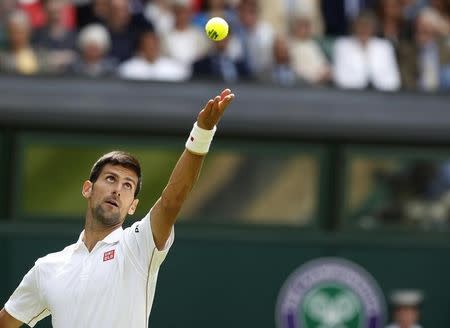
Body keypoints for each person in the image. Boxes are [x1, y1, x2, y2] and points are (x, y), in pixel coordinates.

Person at [0, 88, 235, 327]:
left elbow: (172, 200)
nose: (117, 190)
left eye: (127, 185)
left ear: (133, 206)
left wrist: (203, 131)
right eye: (111, 179)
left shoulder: (137, 245)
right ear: (87, 189)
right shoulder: (47, 268)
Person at [332, 11, 401, 91]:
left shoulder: (385, 47)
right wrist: (364, 83)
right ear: (354, 27)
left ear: (373, 29)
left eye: (367, 26)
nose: (364, 30)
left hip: (381, 97)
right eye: (361, 26)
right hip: (351, 96)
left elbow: (394, 81)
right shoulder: (342, 45)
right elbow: (340, 79)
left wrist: (374, 84)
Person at [118, 28, 190, 81]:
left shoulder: (173, 68)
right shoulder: (129, 69)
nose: (151, 48)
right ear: (141, 47)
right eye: (147, 45)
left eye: (153, 45)